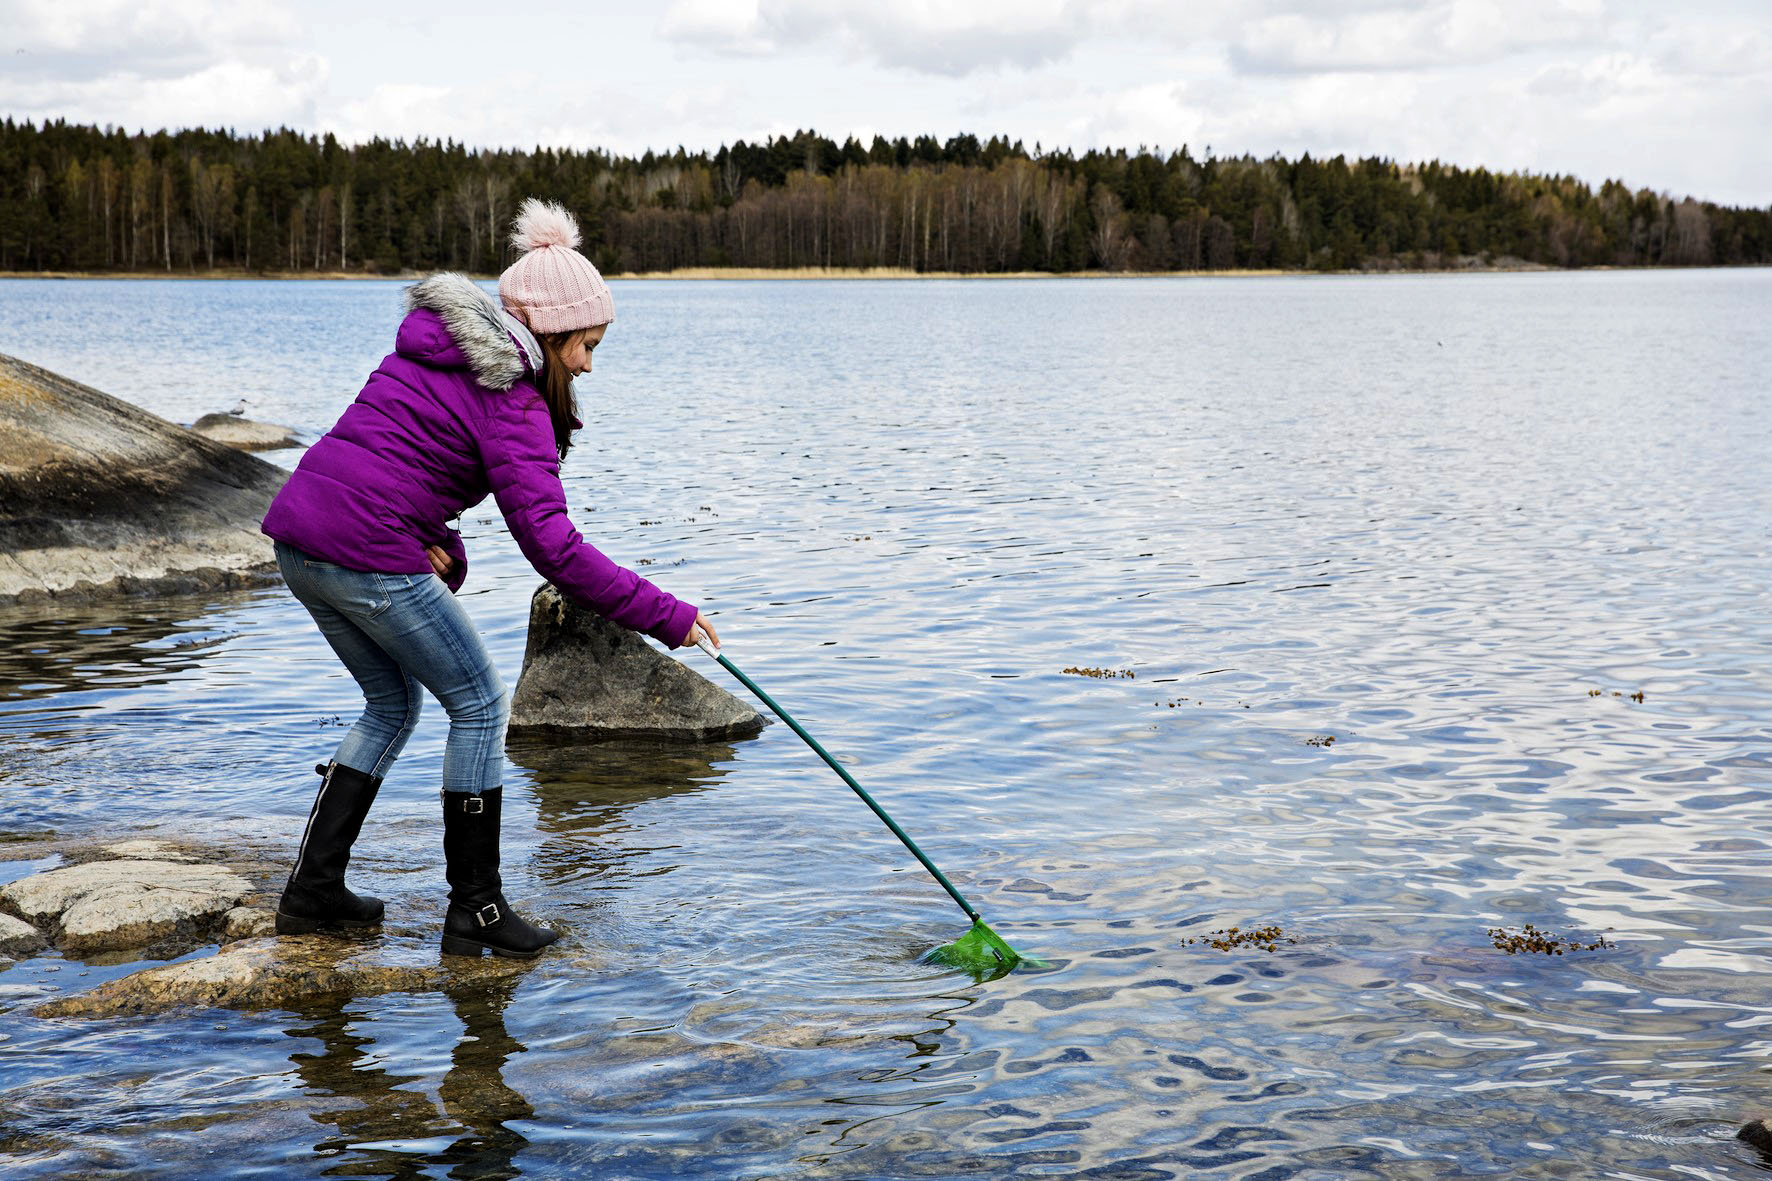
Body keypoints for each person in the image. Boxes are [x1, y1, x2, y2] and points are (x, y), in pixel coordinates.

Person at [261, 198, 718, 959]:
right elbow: (556, 550)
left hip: (301, 540)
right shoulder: (511, 396)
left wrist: (440, 543)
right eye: (586, 344)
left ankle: (313, 893)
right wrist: (665, 614)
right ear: (549, 331)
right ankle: (476, 910)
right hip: (362, 549)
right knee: (477, 702)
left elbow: (387, 462)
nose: (588, 364)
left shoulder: (431, 349)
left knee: (391, 703)